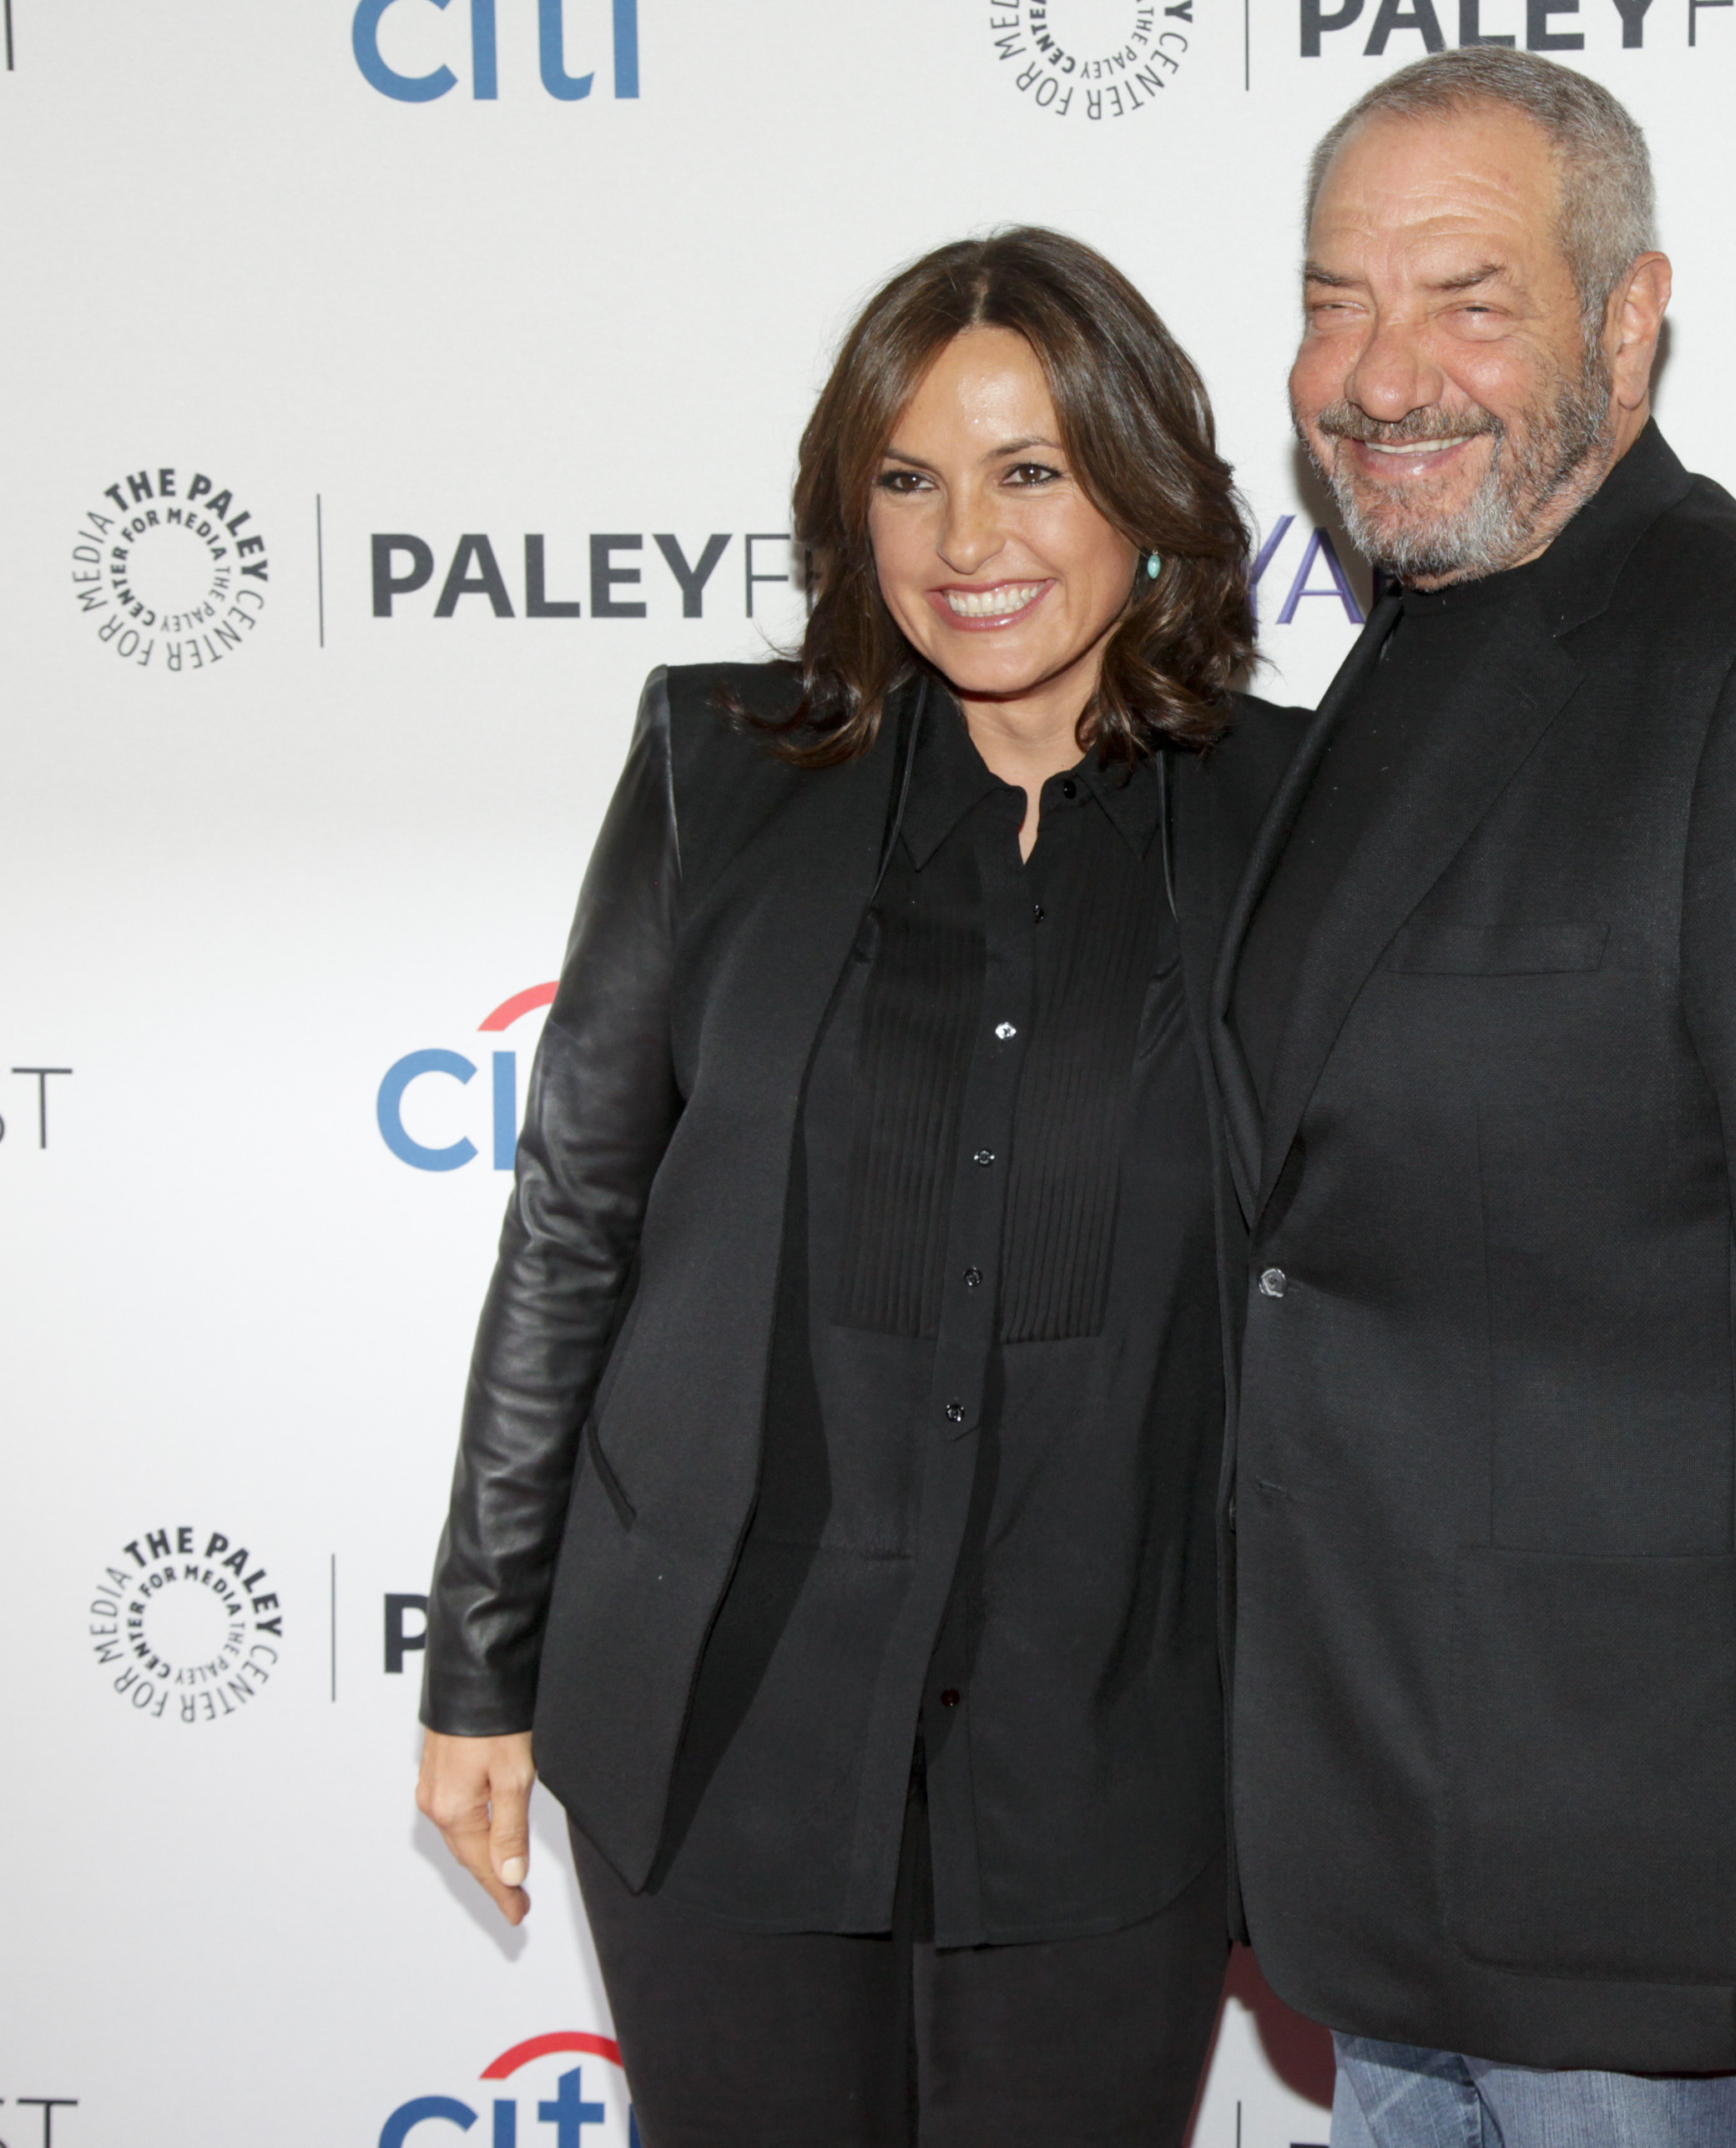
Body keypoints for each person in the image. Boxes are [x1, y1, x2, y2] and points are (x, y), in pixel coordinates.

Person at [1210, 51, 1736, 2148]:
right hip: (1389, 1900)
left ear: (1628, 315)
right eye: (1336, 300)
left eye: (1468, 299)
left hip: (1662, 1941)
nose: (1383, 372)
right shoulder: (1387, 675)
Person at [412, 226, 1305, 2148]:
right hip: (726, 1726)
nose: (963, 536)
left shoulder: (1290, 819)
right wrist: (480, 1666)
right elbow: (575, 1223)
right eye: (906, 477)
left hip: (1116, 1743)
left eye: (1030, 470)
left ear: (1145, 490)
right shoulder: (721, 772)